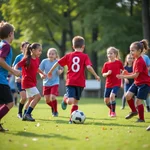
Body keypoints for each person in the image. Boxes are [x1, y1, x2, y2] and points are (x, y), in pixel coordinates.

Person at [47, 36, 100, 123]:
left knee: (75, 102)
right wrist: (96, 75)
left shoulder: (84, 56)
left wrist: (95, 75)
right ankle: (65, 98)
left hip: (80, 83)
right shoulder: (69, 56)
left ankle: (71, 119)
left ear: (73, 46)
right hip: (71, 82)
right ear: (83, 46)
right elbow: (58, 62)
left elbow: (88, 67)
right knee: (70, 101)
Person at [116, 40, 150, 123]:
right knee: (127, 96)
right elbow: (134, 74)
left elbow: (135, 75)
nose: (131, 52)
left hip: (144, 84)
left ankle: (141, 118)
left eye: (133, 50)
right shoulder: (135, 60)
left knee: (138, 101)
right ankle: (134, 111)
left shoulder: (140, 61)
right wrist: (127, 73)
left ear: (139, 51)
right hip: (137, 83)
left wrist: (123, 76)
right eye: (130, 50)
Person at [14, 43, 46, 121]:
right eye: (39, 50)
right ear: (33, 50)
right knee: (38, 97)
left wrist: (42, 73)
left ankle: (25, 114)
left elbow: (36, 68)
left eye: (41, 51)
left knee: (31, 99)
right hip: (27, 82)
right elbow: (17, 65)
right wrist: (16, 73)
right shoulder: (26, 59)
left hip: (32, 81)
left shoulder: (37, 59)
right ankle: (27, 114)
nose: (40, 52)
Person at [0, 21, 21, 132]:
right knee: (10, 103)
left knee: (1, 104)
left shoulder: (1, 44)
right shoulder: (6, 46)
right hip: (1, 80)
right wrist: (13, 71)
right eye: (13, 33)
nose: (13, 35)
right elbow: (0, 60)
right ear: (10, 34)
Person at [39, 48, 63, 117]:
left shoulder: (58, 61)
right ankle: (54, 107)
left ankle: (55, 112)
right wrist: (41, 75)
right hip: (46, 83)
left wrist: (60, 72)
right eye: (49, 53)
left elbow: (61, 69)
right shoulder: (44, 61)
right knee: (47, 100)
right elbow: (40, 70)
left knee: (52, 97)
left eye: (53, 54)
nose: (51, 55)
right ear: (47, 54)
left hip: (55, 82)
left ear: (56, 55)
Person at [102, 47, 124, 117]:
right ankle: (111, 109)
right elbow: (103, 74)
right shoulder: (106, 64)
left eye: (111, 53)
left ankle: (113, 112)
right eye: (108, 53)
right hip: (108, 84)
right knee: (106, 100)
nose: (109, 55)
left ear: (115, 54)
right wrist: (107, 73)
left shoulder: (119, 63)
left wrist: (121, 76)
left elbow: (123, 71)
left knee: (112, 96)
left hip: (116, 83)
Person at [12, 41, 30, 118]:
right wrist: (17, 77)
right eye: (24, 47)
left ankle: (26, 113)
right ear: (21, 48)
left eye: (28, 47)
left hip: (28, 80)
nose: (26, 49)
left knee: (30, 98)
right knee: (24, 97)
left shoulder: (30, 58)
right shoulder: (19, 57)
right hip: (20, 80)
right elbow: (14, 67)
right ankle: (19, 113)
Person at [141, 39, 150, 112]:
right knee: (144, 94)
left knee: (147, 93)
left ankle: (147, 106)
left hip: (146, 77)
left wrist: (144, 71)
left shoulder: (146, 57)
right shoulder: (135, 57)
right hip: (138, 78)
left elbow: (148, 66)